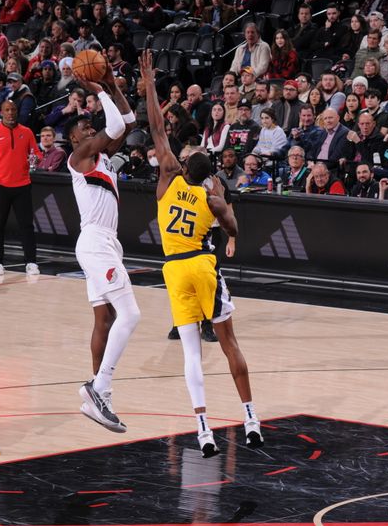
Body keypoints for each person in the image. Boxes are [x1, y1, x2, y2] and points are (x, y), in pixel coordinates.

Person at [140, 50, 263, 457]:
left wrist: (149, 84)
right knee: (229, 343)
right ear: (207, 174)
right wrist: (222, 211)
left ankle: (203, 428)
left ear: (181, 167)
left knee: (191, 352)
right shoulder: (210, 199)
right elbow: (233, 228)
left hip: (172, 271)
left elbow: (158, 128)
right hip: (201, 265)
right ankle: (250, 418)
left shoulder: (166, 183)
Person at [64, 59, 139, 433]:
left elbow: (127, 122)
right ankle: (101, 388)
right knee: (131, 315)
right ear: (75, 139)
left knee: (105, 318)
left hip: (104, 244)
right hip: (95, 242)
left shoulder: (104, 158)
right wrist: (98, 89)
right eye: (83, 127)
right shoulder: (78, 159)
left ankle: (95, 389)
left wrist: (112, 85)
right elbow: (112, 125)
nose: (89, 128)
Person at [0, 101, 41, 277]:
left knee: (26, 226)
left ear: (17, 112)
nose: (11, 113)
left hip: (22, 185)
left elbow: (36, 153)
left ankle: (31, 262)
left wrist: (36, 159)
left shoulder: (26, 133)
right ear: (1, 112)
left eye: (13, 110)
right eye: (7, 110)